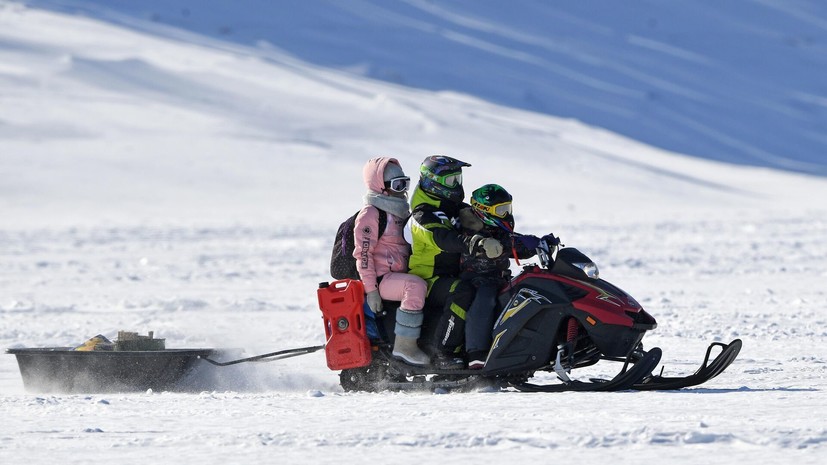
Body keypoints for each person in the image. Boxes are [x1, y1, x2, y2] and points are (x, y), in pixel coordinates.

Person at [408, 156, 503, 369]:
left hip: (451, 274)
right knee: (461, 291)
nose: (457, 185)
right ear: (433, 182)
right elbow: (444, 239)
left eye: (457, 179)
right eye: (451, 181)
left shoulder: (452, 207)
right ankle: (444, 352)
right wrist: (476, 243)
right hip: (427, 279)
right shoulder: (423, 214)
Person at [460, 184, 557, 369]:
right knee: (485, 300)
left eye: (508, 209)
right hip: (475, 279)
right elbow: (504, 243)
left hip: (498, 278)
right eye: (501, 210)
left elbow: (513, 243)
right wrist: (522, 242)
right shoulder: (470, 229)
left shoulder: (497, 229)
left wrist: (539, 243)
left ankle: (517, 348)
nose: (506, 214)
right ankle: (476, 353)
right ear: (484, 210)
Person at [353, 157, 430, 366]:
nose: (402, 190)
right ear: (381, 187)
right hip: (381, 279)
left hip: (397, 274)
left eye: (405, 183)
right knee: (415, 286)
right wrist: (371, 291)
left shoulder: (400, 211)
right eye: (397, 185)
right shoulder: (371, 213)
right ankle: (405, 347)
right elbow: (363, 255)